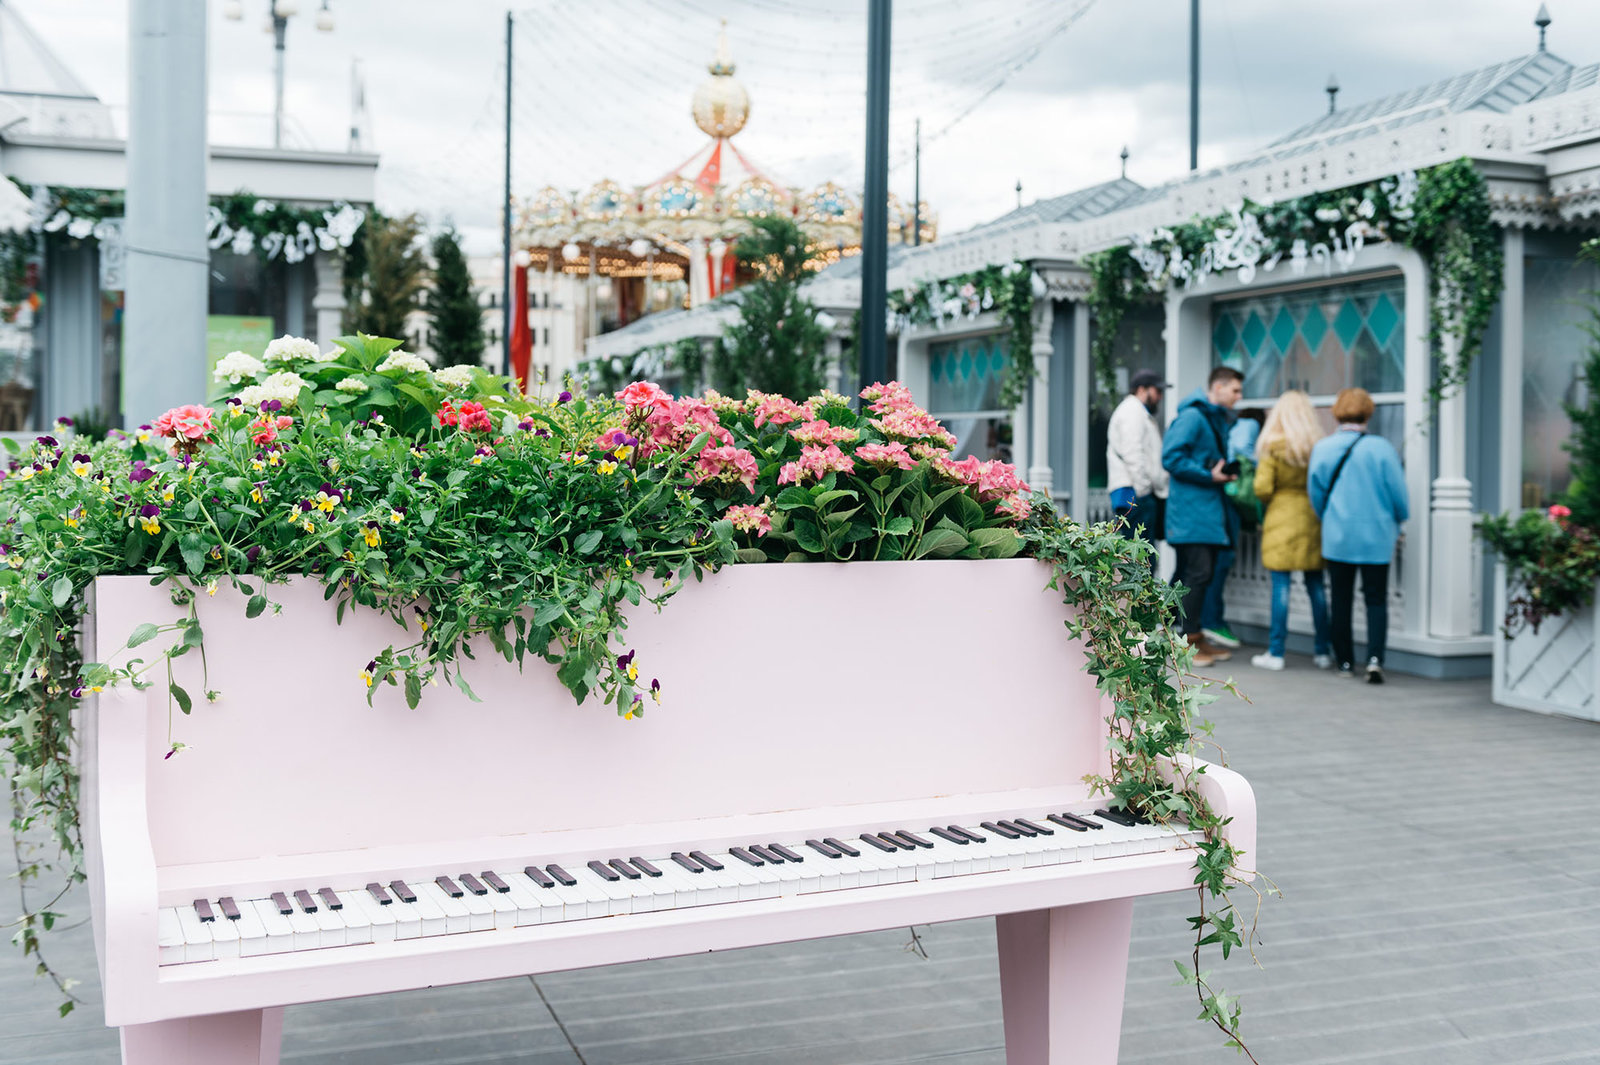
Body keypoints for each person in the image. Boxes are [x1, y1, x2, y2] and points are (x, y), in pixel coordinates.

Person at [1308, 387, 1409, 684]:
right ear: (1368, 412)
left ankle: (1345, 661)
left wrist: (1326, 517)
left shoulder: (1323, 448)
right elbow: (1398, 495)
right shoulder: (1382, 448)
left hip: (1338, 533)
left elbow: (1316, 494)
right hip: (1377, 534)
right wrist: (1401, 519)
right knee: (1376, 599)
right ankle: (1375, 659)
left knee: (1341, 599)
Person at [1161, 365, 1243, 667]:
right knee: (1197, 574)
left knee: (1188, 576)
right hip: (1193, 514)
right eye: (1235, 389)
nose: (1239, 396)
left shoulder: (1208, 417)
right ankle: (1188, 642)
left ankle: (1176, 636)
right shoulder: (1194, 417)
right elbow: (1170, 457)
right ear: (1217, 387)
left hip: (1200, 512)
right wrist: (1209, 475)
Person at [1248, 391, 1332, 671]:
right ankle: (1322, 651)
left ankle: (1276, 652)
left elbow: (1262, 488)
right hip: (1311, 518)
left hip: (1281, 519)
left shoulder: (1272, 445)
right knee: (1316, 586)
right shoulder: (1317, 445)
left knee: (1281, 587)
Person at [1200, 406, 1267, 650]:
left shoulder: (1231, 425)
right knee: (1221, 561)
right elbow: (1241, 449)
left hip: (1220, 502)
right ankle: (1211, 621)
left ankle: (1204, 621)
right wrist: (1258, 463)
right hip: (1229, 500)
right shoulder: (1250, 425)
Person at [1106, 369, 1169, 545]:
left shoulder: (1135, 411)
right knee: (1139, 557)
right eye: (1157, 391)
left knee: (1138, 555)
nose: (1160, 397)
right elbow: (1133, 454)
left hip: (1134, 492)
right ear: (1142, 390)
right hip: (1134, 493)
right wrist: (1144, 490)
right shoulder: (1132, 411)